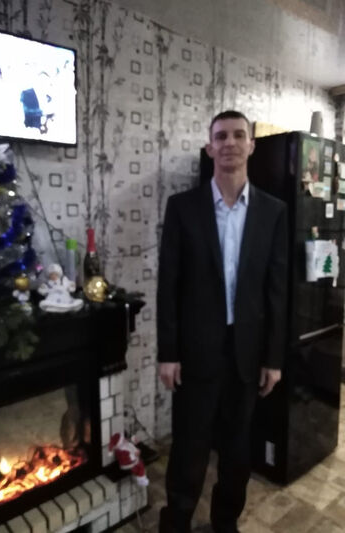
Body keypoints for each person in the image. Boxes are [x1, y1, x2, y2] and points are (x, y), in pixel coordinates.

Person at [157, 110, 288, 533]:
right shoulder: (183, 208)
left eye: (238, 135)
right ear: (210, 147)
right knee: (189, 449)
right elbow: (169, 285)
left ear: (251, 145)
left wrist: (274, 358)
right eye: (221, 136)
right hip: (195, 354)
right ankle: (176, 522)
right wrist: (167, 353)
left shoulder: (273, 212)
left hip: (247, 355)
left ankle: (225, 522)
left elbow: (276, 290)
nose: (229, 143)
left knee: (237, 451)